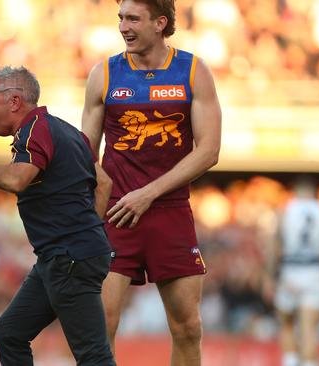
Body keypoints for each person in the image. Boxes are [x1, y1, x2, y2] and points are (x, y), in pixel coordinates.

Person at [0, 66, 115, 366]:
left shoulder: (35, 130)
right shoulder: (65, 131)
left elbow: (15, 180)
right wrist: (89, 233)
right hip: (62, 256)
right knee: (10, 333)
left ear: (14, 101)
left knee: (93, 356)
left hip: (69, 257)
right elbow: (104, 183)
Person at [81, 0, 221, 365]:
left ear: (160, 23)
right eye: (120, 18)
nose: (123, 27)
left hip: (170, 213)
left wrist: (149, 193)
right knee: (101, 325)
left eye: (132, 19)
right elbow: (86, 154)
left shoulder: (193, 71)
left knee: (188, 327)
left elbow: (209, 151)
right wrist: (100, 202)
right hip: (116, 215)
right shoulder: (104, 74)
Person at [267, 177, 319, 366]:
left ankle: (291, 361)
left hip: (290, 271)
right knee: (309, 328)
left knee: (286, 324)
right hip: (315, 270)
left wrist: (270, 277)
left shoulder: (285, 210)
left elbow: (273, 246)